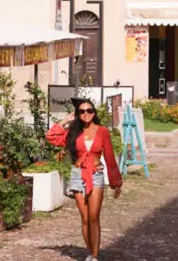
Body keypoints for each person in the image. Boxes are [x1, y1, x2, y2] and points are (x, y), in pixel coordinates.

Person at [47, 98, 122, 261]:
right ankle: (90, 251)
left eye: (89, 110)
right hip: (77, 175)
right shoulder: (73, 132)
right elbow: (51, 136)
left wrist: (116, 182)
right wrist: (66, 120)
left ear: (94, 113)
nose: (86, 114)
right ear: (77, 114)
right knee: (85, 217)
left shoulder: (102, 131)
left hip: (95, 174)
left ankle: (94, 256)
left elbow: (109, 156)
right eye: (82, 111)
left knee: (94, 216)